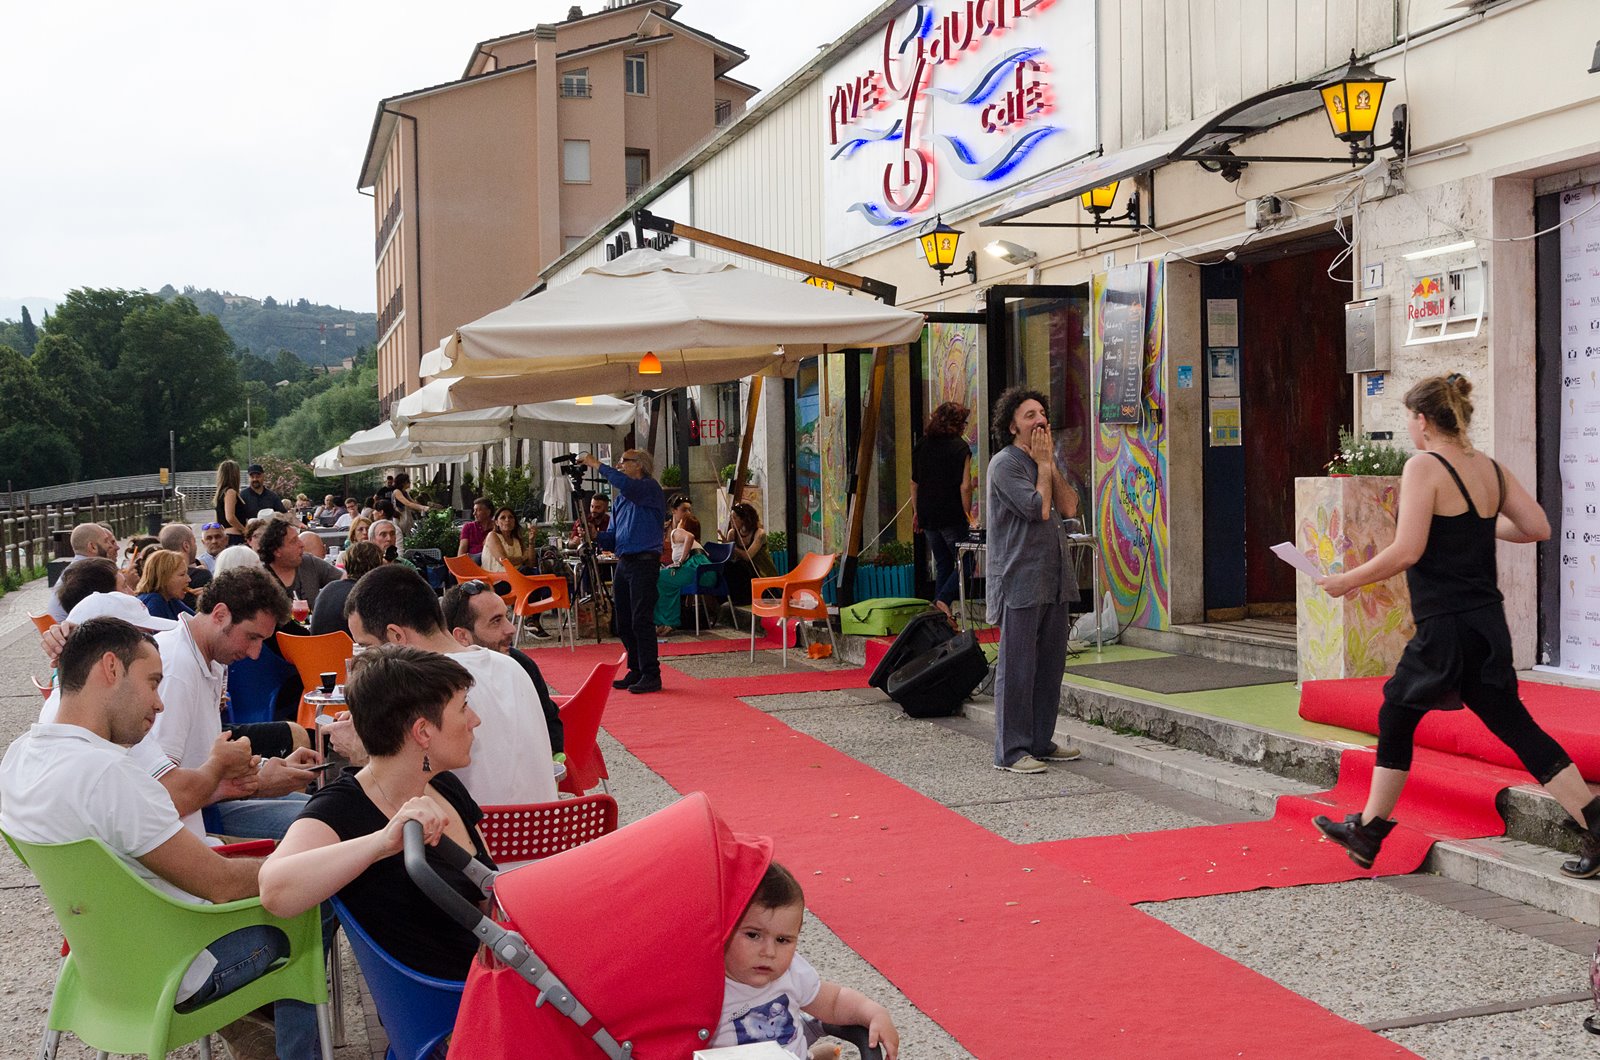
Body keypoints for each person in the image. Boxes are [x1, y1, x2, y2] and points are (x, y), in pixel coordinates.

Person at [1311, 374, 1600, 875]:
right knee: (1515, 727)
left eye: (1409, 418)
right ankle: (1595, 824)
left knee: (1397, 711)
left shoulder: (1424, 465)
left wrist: (1346, 581)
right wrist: (1477, 526)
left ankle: (1369, 830)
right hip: (1486, 624)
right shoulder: (1490, 468)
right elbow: (1536, 526)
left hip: (1445, 626)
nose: (1409, 427)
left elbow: (1408, 550)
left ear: (1423, 421)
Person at [1, 617, 322, 1058]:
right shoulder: (110, 776)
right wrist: (307, 866)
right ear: (110, 668)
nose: (159, 702)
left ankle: (253, 1027)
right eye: (152, 682)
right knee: (315, 898)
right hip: (179, 969)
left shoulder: (18, 760)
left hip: (101, 968)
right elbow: (221, 884)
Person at [259, 645, 492, 989]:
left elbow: (490, 900)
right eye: (463, 707)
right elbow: (274, 890)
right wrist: (382, 842)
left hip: (489, 977)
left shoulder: (443, 784)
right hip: (449, 1000)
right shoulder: (343, 807)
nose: (475, 720)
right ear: (423, 732)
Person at [345, 564, 558, 804]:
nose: (366, 658)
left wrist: (362, 751)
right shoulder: (512, 665)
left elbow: (395, 796)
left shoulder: (426, 686)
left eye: (367, 647)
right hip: (544, 823)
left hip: (474, 826)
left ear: (396, 637)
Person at [147, 568, 319, 840]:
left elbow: (199, 758)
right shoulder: (176, 669)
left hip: (206, 805)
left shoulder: (208, 658)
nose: (255, 653)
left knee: (325, 811)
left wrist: (263, 769)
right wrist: (256, 784)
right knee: (325, 824)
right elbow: (160, 793)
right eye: (252, 637)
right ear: (219, 615)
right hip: (191, 823)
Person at [985, 387, 1081, 775]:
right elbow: (1038, 509)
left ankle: (1041, 741)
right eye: (1029, 415)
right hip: (1019, 578)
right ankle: (1011, 751)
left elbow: (1069, 505)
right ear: (1012, 426)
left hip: (1053, 578)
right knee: (1018, 669)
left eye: (1042, 413)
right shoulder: (1003, 465)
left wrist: (1049, 463)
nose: (1040, 420)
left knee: (1049, 667)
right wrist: (1042, 466)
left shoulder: (1044, 462)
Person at [717, 861, 898, 1060]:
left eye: (782, 940)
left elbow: (834, 1001)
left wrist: (874, 1013)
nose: (769, 952)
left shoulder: (791, 971)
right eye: (753, 935)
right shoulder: (706, 987)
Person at [442, 581, 564, 755]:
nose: (511, 628)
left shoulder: (519, 663)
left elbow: (551, 725)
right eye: (496, 621)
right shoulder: (444, 683)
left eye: (506, 616)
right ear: (462, 636)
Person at [581, 449, 666, 694]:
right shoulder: (621, 501)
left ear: (639, 465)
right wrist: (596, 536)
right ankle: (636, 668)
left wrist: (596, 464)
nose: (620, 465)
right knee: (623, 621)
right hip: (625, 561)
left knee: (641, 619)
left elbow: (624, 484)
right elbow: (614, 537)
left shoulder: (648, 488)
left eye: (623, 461)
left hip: (645, 561)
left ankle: (651, 673)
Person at [912, 402, 976, 617]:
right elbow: (965, 486)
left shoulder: (922, 445)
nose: (965, 426)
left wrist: (917, 512)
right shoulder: (961, 448)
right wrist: (968, 516)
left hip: (927, 514)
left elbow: (914, 482)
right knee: (967, 561)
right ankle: (943, 600)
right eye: (964, 422)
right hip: (951, 513)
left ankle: (939, 616)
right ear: (957, 424)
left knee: (944, 563)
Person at [481, 506, 550, 639]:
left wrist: (531, 542)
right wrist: (522, 558)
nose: (507, 520)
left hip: (517, 580)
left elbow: (531, 562)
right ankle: (531, 619)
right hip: (497, 582)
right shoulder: (492, 536)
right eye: (503, 518)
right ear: (496, 522)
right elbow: (504, 560)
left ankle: (532, 620)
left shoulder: (517, 540)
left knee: (533, 574)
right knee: (528, 575)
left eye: (510, 517)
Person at [258, 517, 342, 609]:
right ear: (277, 551)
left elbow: (344, 581)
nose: (301, 544)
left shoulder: (309, 562)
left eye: (298, 538)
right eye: (293, 541)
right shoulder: (261, 578)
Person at [44, 521, 120, 621]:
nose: (111, 546)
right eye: (106, 541)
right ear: (92, 547)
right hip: (71, 629)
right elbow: (111, 610)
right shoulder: (90, 573)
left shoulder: (74, 569)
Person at [654, 502, 708, 636]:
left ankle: (666, 621)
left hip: (695, 570)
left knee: (658, 578)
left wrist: (680, 560)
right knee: (667, 578)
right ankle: (665, 621)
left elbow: (690, 536)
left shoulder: (677, 532)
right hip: (707, 573)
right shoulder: (697, 544)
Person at [310, 542, 382, 638]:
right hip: (348, 646)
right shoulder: (367, 595)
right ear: (378, 565)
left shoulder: (329, 588)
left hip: (315, 646)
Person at [722, 502, 777, 607]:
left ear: (744, 519)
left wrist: (731, 547)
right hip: (743, 572)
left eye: (735, 518)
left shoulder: (759, 534)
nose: (731, 521)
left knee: (741, 565)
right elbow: (730, 557)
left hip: (760, 572)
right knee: (728, 566)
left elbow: (748, 557)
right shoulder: (733, 533)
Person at [136, 549, 196, 622]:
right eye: (182, 574)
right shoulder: (154, 601)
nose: (189, 579)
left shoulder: (170, 599)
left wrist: (204, 600)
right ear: (163, 578)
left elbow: (196, 621)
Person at [214, 460, 248, 546]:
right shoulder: (230, 492)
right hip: (234, 536)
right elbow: (230, 517)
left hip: (226, 534)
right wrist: (245, 530)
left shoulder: (220, 494)